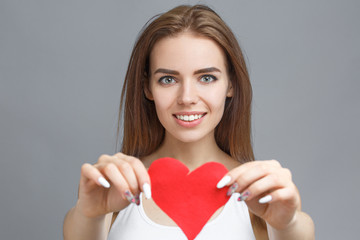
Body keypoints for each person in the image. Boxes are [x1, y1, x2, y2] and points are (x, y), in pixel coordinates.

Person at [63, 4, 314, 240]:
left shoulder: (266, 193)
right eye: (168, 80)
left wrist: (287, 224)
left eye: (206, 78)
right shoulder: (111, 188)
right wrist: (89, 213)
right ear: (147, 88)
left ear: (231, 85)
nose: (187, 98)